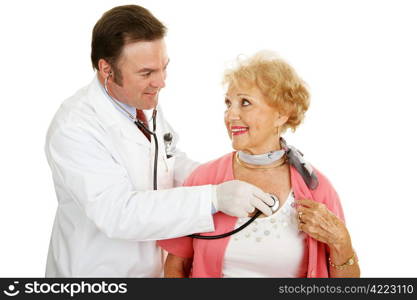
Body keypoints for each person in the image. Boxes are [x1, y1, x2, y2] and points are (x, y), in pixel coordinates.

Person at [44, 5, 275, 277]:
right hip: (98, 275)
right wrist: (212, 198)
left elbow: (168, 161)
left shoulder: (140, 103)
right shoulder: (74, 128)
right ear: (106, 69)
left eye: (164, 68)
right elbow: (118, 213)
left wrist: (224, 177)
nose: (161, 82)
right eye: (147, 73)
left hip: (154, 270)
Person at [158, 51, 360, 278]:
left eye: (245, 103)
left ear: (282, 114)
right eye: (228, 103)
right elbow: (175, 267)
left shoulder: (316, 188)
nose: (231, 115)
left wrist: (342, 242)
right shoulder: (203, 179)